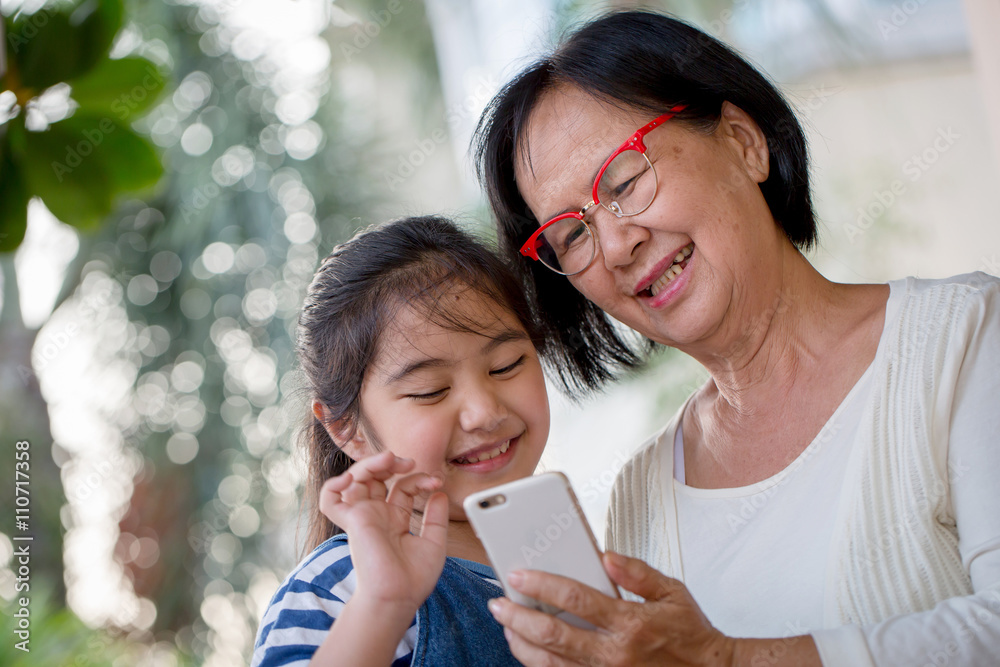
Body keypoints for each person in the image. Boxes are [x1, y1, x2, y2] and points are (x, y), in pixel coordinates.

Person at [473, 10, 1000, 667]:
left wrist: (725, 658)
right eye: (571, 234)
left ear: (743, 142)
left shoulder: (968, 337)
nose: (615, 244)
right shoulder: (642, 494)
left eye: (625, 182)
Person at [251, 216, 551, 666]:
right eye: (431, 390)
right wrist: (383, 604)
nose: (485, 413)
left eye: (506, 365)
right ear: (345, 427)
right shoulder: (340, 589)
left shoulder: (563, 553)